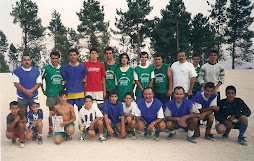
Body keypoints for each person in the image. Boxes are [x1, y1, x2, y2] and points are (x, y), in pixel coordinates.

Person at [41, 51, 64, 138]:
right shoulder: (46, 68)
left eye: (56, 58)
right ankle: (50, 130)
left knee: (59, 113)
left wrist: (63, 89)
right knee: (51, 113)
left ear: (59, 59)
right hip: (50, 94)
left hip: (60, 95)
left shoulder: (62, 69)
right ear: (50, 59)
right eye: (53, 58)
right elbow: (40, 79)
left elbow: (65, 79)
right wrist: (43, 90)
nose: (54, 60)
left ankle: (59, 129)